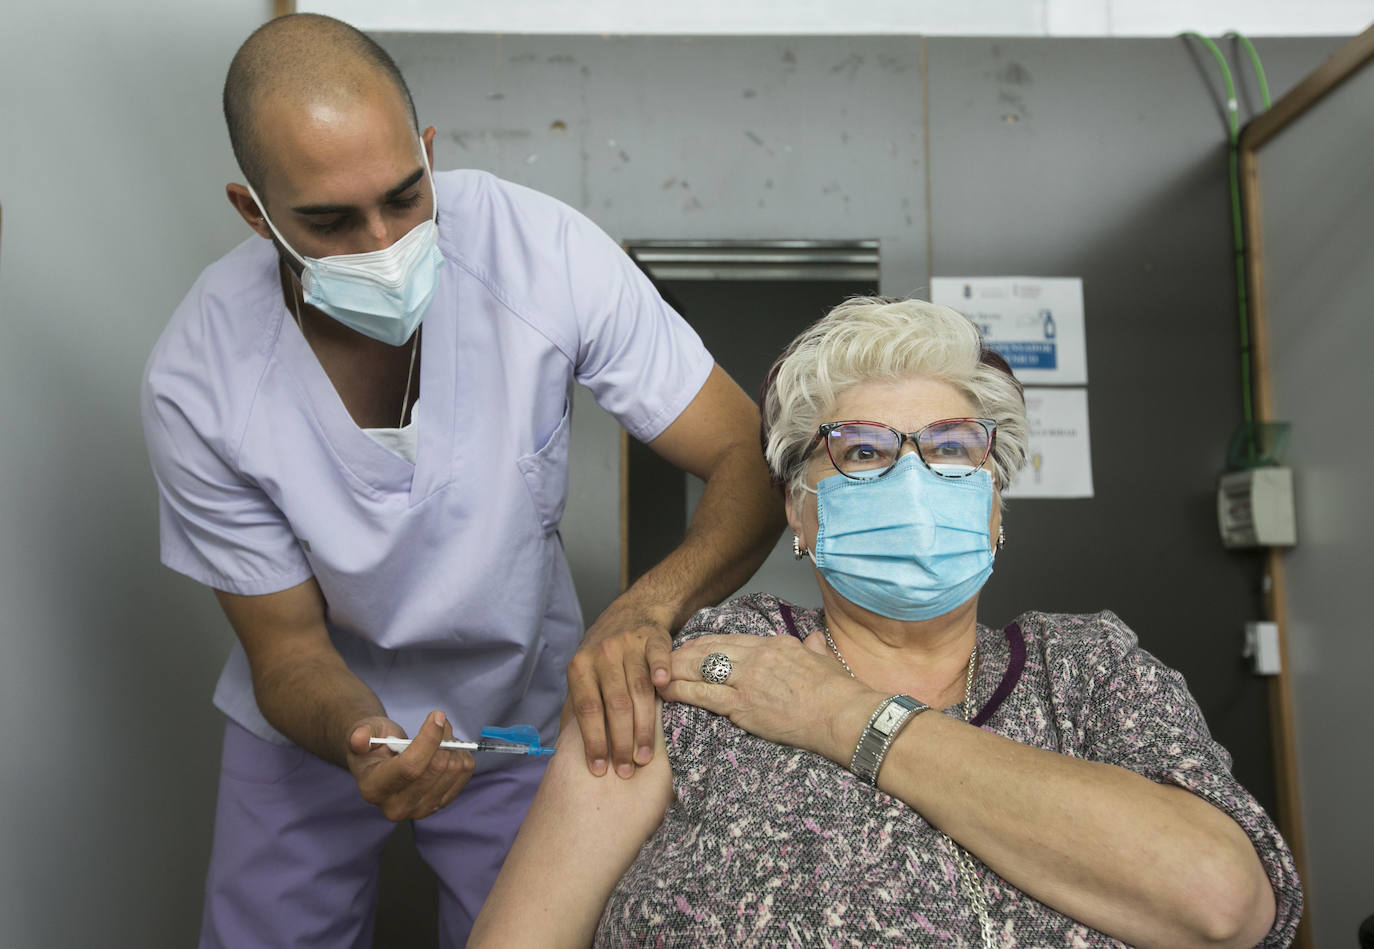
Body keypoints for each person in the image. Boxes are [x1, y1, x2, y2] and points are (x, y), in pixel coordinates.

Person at [140, 13, 782, 948]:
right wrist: (362, 737)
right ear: (255, 212)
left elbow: (748, 457)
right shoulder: (199, 380)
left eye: (406, 196)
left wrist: (649, 606)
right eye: (328, 221)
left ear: (428, 153)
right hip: (314, 729)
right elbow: (284, 653)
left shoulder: (543, 256)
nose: (383, 243)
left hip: (521, 712)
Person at [469, 297, 1303, 948]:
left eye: (951, 447)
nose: (915, 475)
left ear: (994, 501)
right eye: (863, 451)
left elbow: (1224, 902)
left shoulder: (1087, 669)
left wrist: (842, 714)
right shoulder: (703, 670)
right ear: (801, 512)